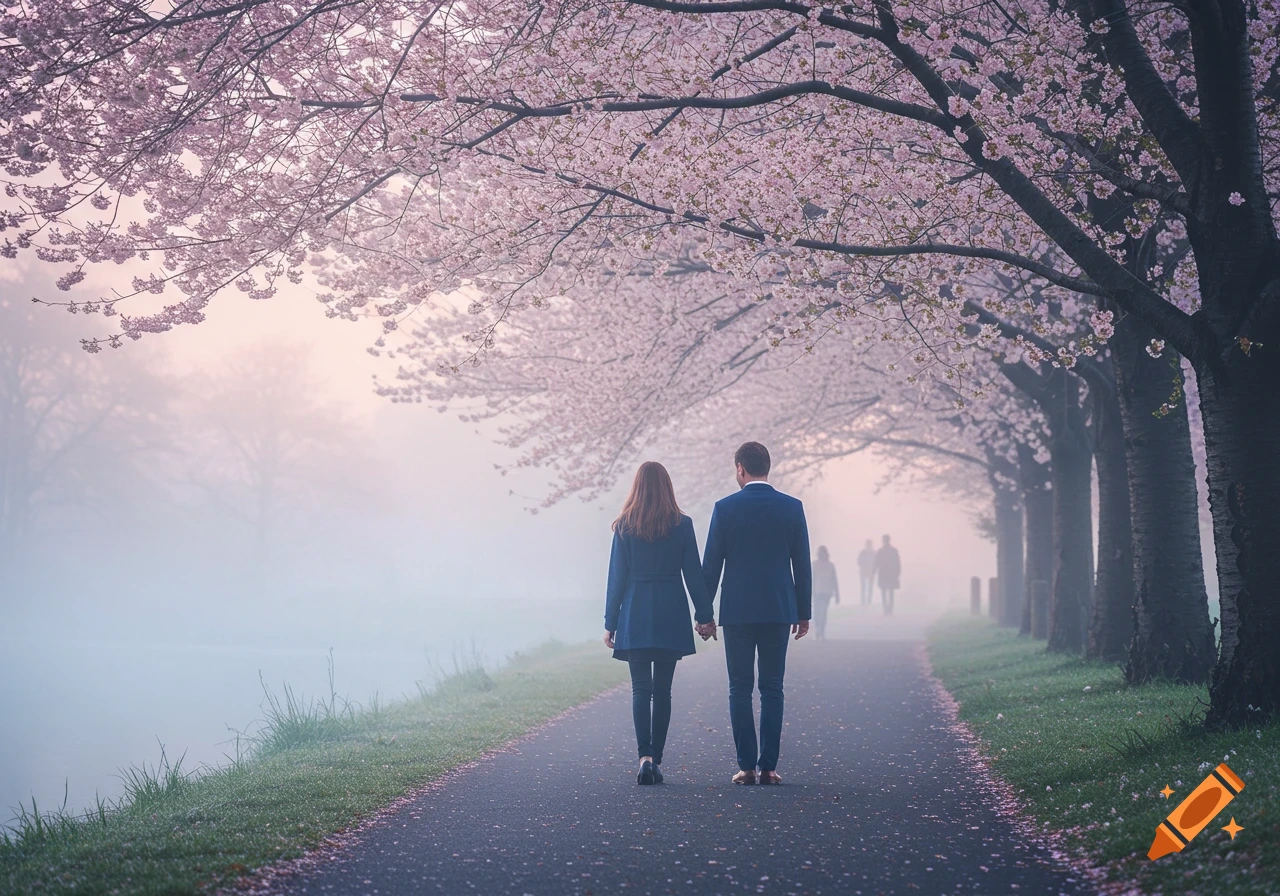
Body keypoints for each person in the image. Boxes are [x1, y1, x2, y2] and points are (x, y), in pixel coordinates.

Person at [700, 442, 811, 785]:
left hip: (737, 611)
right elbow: (801, 564)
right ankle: (769, 768)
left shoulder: (725, 508)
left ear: (740, 468)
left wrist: (704, 614)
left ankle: (746, 767)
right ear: (768, 467)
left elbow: (711, 566)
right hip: (779, 609)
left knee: (739, 688)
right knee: (772, 687)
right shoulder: (792, 508)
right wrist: (803, 612)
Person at [604, 461, 715, 786]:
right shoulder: (681, 524)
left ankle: (645, 758)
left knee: (641, 688)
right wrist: (705, 616)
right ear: (667, 487)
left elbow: (617, 579)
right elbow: (693, 574)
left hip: (635, 609)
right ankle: (658, 760)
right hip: (670, 609)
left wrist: (610, 622)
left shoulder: (624, 525)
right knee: (663, 690)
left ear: (636, 487)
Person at [811, 545, 840, 640]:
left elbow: (834, 580)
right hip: (817, 591)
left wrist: (837, 594)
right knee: (817, 612)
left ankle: (821, 630)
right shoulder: (815, 564)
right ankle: (818, 629)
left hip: (827, 592)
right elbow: (812, 579)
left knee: (823, 612)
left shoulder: (830, 565)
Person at [875, 534, 901, 615]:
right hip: (885, 573)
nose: (885, 542)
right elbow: (876, 562)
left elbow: (897, 562)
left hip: (890, 573)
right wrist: (874, 570)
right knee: (884, 591)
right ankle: (886, 609)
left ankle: (889, 609)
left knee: (890, 591)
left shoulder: (892, 551)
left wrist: (898, 572)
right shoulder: (882, 551)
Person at [857, 538, 877, 606]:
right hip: (864, 572)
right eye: (867, 544)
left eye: (869, 544)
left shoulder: (874, 552)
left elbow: (876, 562)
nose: (868, 545)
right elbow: (858, 562)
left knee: (870, 588)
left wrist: (874, 570)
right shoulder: (862, 552)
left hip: (871, 572)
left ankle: (869, 601)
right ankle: (863, 601)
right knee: (863, 588)